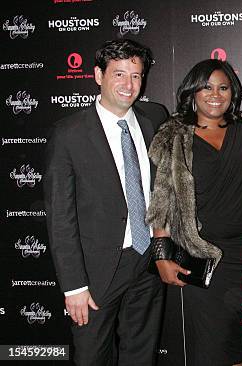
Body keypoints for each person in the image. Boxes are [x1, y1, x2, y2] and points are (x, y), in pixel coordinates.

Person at [44, 39, 167, 365]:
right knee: (92, 358)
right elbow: (60, 217)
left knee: (141, 356)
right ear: (98, 75)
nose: (129, 85)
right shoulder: (69, 133)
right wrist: (74, 288)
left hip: (146, 265)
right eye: (120, 74)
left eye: (137, 76)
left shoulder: (152, 119)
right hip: (95, 274)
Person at [145, 59, 242, 366]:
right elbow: (163, 196)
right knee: (211, 342)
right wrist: (162, 254)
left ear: (233, 92)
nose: (215, 94)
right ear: (192, 92)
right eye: (206, 87)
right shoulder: (176, 135)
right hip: (202, 252)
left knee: (237, 338)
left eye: (223, 87)